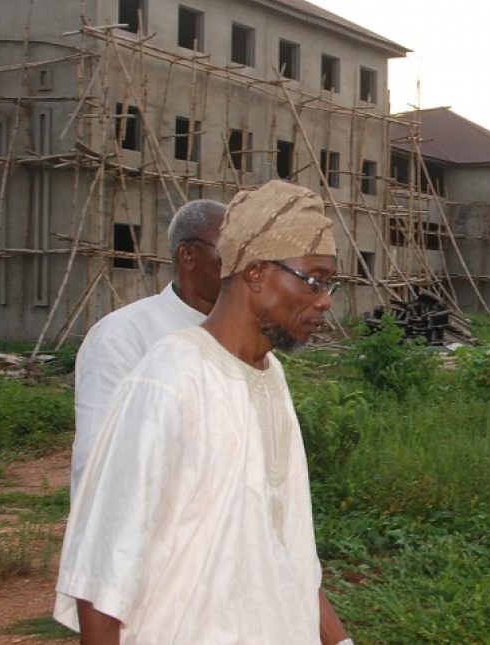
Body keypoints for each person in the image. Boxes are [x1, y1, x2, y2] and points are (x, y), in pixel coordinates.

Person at [54, 180, 351, 644]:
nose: (325, 300)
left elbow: (288, 547)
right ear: (256, 274)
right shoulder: (170, 377)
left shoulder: (270, 377)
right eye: (314, 279)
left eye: (331, 284)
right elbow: (102, 575)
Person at [70, 198, 226, 499]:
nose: (243, 265)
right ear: (188, 255)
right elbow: (99, 462)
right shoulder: (122, 337)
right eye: (230, 251)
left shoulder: (244, 342)